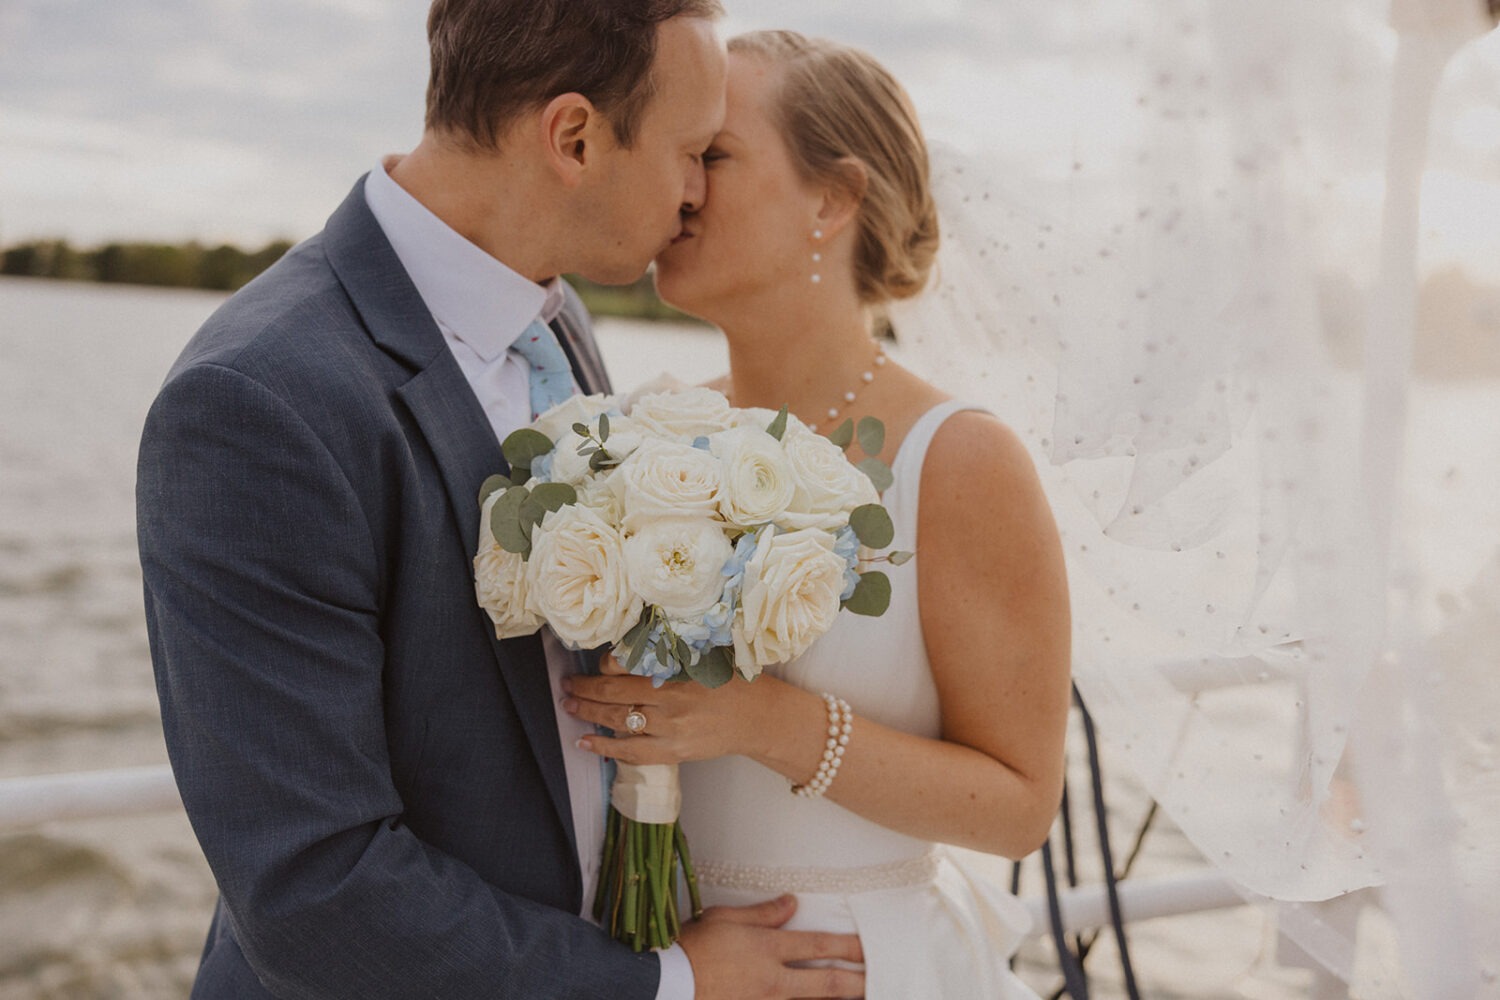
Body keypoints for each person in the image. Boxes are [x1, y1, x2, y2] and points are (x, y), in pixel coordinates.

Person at [136, 4, 865, 998]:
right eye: (691, 150)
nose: (696, 194)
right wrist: (669, 987)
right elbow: (314, 890)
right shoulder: (259, 401)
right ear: (573, 137)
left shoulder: (551, 317)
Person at [563, 30, 1072, 998]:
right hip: (658, 960)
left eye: (714, 152)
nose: (682, 183)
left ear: (832, 199)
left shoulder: (958, 458)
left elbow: (1018, 807)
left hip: (849, 966)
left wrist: (764, 719)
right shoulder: (644, 432)